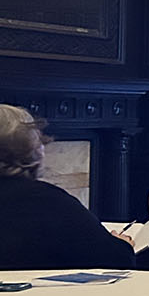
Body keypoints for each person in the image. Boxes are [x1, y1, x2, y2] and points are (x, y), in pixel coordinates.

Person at [0, 104, 134, 270]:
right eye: (39, 140)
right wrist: (123, 245)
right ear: (29, 149)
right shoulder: (47, 201)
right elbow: (116, 260)